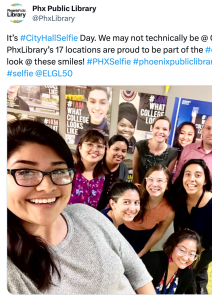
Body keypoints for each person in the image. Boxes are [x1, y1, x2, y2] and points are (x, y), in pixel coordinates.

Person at [7, 120, 155, 294]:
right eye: (25, 172)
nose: (47, 187)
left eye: (59, 171)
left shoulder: (88, 214)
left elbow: (138, 273)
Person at [171, 159, 212, 294]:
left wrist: (190, 256)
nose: (191, 179)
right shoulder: (179, 196)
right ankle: (201, 286)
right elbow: (179, 226)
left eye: (198, 175)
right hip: (192, 239)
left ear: (205, 181)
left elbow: (210, 241)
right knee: (196, 268)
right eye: (187, 174)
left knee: (188, 270)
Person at [119, 165, 175, 257]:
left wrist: (141, 253)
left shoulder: (169, 211)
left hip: (141, 239)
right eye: (151, 179)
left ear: (167, 185)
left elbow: (159, 232)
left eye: (160, 180)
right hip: (119, 229)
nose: (154, 184)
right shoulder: (132, 192)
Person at [142, 229, 202, 294]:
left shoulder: (187, 273)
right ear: (172, 246)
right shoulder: (151, 261)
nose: (185, 258)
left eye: (191, 254)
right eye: (182, 250)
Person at [133, 116, 178, 185]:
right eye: (157, 128)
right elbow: (135, 170)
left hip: (157, 190)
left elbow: (166, 178)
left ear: (169, 132)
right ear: (152, 129)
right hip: (139, 188)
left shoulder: (173, 153)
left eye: (164, 129)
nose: (160, 132)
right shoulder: (140, 145)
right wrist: (136, 188)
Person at [68, 130, 106, 209]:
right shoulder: (69, 171)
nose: (95, 149)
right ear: (80, 147)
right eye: (90, 144)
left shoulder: (101, 177)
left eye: (99, 146)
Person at [97, 135, 129, 210]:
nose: (120, 154)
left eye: (123, 151)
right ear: (107, 148)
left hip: (109, 211)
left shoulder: (124, 169)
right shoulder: (96, 163)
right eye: (116, 149)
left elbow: (118, 193)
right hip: (89, 207)